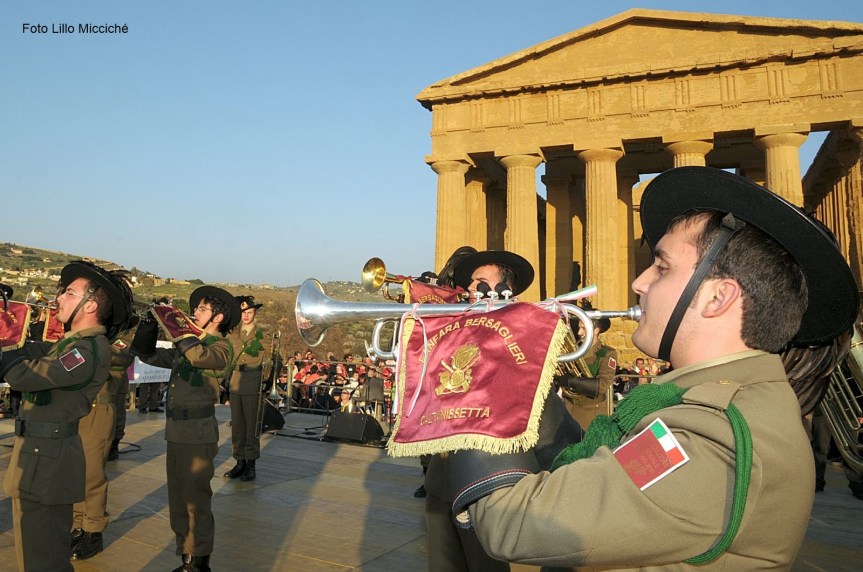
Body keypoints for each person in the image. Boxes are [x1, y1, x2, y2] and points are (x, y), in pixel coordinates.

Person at [440, 167, 859, 569]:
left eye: (661, 267)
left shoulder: (714, 438)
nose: (639, 282)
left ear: (718, 298)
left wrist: (476, 382)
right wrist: (520, 380)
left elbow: (512, 524)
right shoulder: (702, 406)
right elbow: (590, 470)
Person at [424, 248, 566, 572]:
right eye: (472, 283)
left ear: (504, 291)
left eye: (480, 282)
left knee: (485, 565)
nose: (472, 288)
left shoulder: (524, 337)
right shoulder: (451, 328)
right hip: (442, 475)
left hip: (488, 479)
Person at [0, 261, 135, 572]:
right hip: (39, 458)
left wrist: (6, 332)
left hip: (49, 463)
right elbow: (28, 353)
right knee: (33, 555)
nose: (58, 297)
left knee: (44, 561)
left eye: (69, 293)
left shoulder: (87, 349)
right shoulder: (69, 344)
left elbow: (24, 375)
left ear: (90, 305)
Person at [131, 285, 240, 572]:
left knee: (195, 499)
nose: (195, 313)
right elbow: (146, 355)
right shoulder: (187, 346)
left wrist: (176, 325)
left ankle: (200, 560)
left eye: (202, 309)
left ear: (218, 318)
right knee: (178, 498)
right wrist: (149, 322)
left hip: (198, 431)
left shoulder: (220, 348)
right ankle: (186, 556)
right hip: (176, 429)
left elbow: (197, 356)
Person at [71, 326, 137, 560]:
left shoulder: (116, 339)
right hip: (76, 407)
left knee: (91, 475)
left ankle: (93, 531)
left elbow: (122, 356)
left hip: (98, 407)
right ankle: (78, 524)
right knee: (75, 472)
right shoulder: (80, 337)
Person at [224, 295, 267, 482]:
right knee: (238, 426)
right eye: (243, 313)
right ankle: (239, 461)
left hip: (253, 381)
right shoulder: (233, 334)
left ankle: (251, 463)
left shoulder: (262, 335)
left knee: (251, 426)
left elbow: (271, 359)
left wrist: (266, 381)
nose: (246, 316)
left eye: (249, 312)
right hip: (235, 381)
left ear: (254, 313)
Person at [556, 313, 618, 430]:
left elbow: (602, 385)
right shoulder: (573, 350)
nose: (579, 332)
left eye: (583, 328)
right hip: (568, 409)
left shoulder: (607, 353)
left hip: (590, 414)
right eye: (579, 327)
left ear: (596, 331)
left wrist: (570, 381)